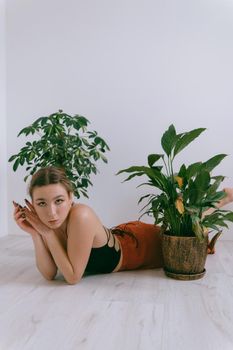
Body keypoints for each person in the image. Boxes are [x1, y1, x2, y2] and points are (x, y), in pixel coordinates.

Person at [13, 166, 233, 285]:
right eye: (41, 203)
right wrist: (35, 234)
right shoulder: (46, 222)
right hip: (122, 236)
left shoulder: (81, 215)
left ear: (71, 197)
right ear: (33, 204)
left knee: (188, 228)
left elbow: (71, 277)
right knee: (186, 223)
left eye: (59, 201)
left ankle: (221, 198)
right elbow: (50, 273)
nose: (51, 212)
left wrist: (45, 233)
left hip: (142, 246)